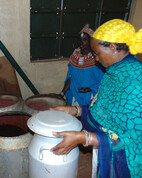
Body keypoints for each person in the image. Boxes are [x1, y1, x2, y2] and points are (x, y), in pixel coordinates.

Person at [51, 19, 142, 178]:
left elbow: (134, 138)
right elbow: (104, 108)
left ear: (113, 48)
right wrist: (75, 110)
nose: (97, 59)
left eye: (98, 53)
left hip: (127, 163)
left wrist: (84, 137)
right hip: (106, 148)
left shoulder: (135, 83)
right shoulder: (115, 71)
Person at [59, 24, 105, 106]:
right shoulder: (75, 56)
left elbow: (104, 82)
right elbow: (70, 78)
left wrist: (91, 89)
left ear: (91, 41)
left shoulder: (98, 59)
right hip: (73, 96)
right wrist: (62, 93)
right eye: (79, 40)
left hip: (90, 97)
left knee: (86, 117)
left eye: (84, 39)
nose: (81, 43)